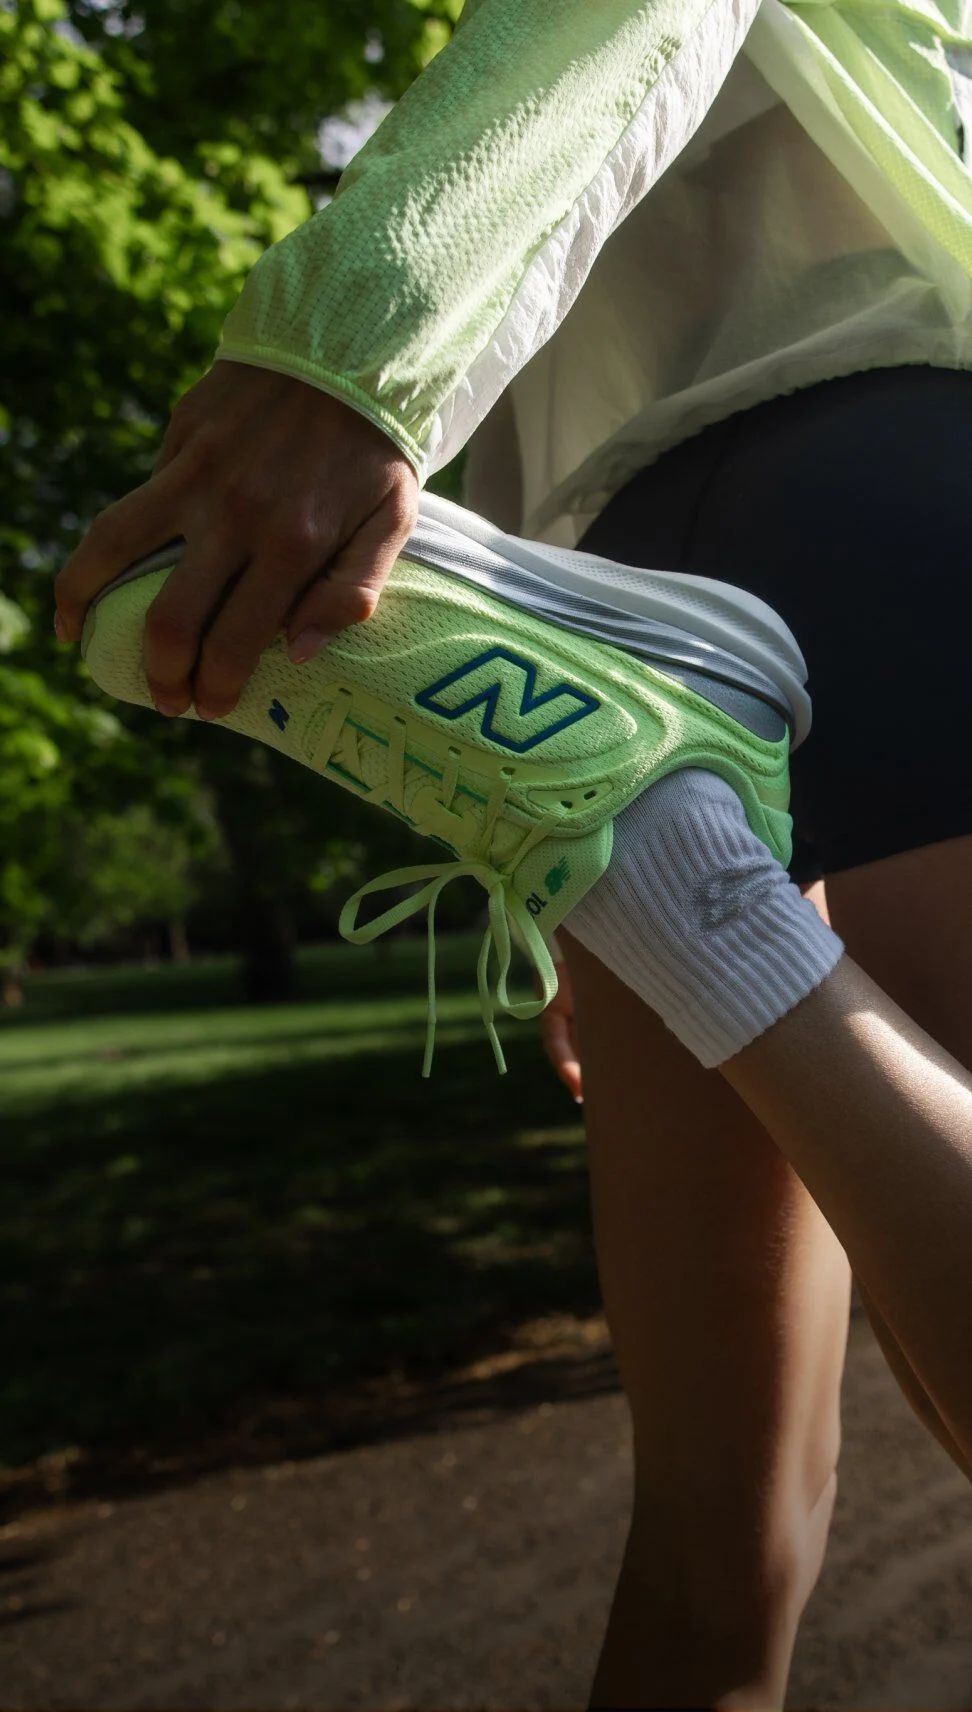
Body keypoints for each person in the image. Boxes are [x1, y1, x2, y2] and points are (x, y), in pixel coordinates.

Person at [54, 1, 972, 1704]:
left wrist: (558, 766)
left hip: (638, 587)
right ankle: (687, 885)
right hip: (896, 455)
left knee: (719, 1544)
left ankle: (660, 859)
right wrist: (357, 361)